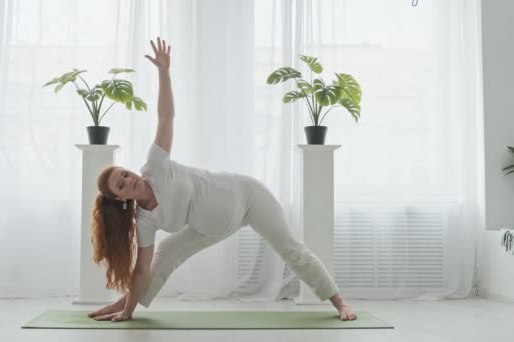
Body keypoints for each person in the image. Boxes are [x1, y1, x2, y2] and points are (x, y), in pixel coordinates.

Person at [87, 37, 358, 322]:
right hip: (212, 227)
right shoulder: (145, 220)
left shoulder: (156, 166)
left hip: (246, 197)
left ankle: (340, 303)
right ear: (120, 198)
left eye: (125, 173)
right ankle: (124, 304)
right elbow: (141, 270)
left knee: (291, 248)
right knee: (164, 255)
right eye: (121, 184)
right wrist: (129, 312)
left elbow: (166, 116)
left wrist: (164, 72)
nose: (128, 179)